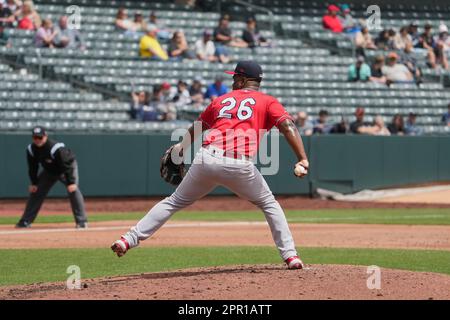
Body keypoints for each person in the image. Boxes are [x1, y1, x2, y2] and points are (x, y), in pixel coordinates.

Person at [111, 60, 309, 271]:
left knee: (173, 201)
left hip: (206, 158)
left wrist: (181, 148)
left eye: (235, 78)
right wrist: (302, 158)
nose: (232, 81)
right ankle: (290, 256)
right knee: (270, 205)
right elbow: (288, 126)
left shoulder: (221, 100)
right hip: (238, 164)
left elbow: (199, 127)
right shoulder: (268, 101)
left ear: (243, 80)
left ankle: (128, 239)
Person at [16, 126, 88, 229]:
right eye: (35, 137)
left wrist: (71, 182)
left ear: (45, 136)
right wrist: (34, 182)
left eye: (40, 137)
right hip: (49, 171)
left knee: (73, 190)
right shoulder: (31, 149)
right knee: (36, 192)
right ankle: (25, 221)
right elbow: (33, 167)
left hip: (66, 168)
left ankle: (82, 221)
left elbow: (66, 165)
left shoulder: (55, 148)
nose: (37, 140)